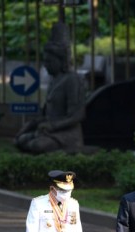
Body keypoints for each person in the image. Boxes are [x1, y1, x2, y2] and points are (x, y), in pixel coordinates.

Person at [15, 22, 86, 154]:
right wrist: (32, 124)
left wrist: (53, 126)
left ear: (61, 61)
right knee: (21, 140)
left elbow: (77, 115)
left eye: (49, 61)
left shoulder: (72, 80)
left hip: (67, 134)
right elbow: (47, 113)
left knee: (36, 145)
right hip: (48, 131)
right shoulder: (54, 81)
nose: (46, 65)